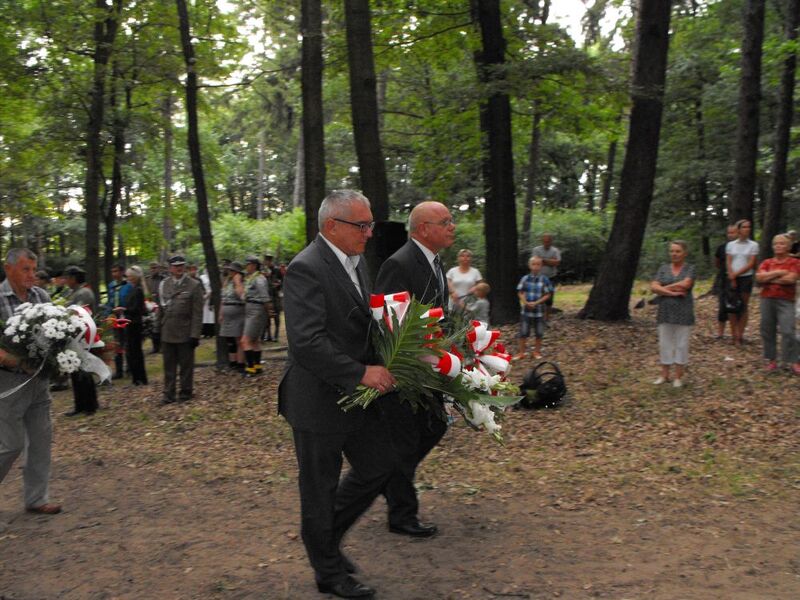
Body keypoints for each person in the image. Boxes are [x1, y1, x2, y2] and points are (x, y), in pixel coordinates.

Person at [279, 190, 397, 599]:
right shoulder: (305, 268)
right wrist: (361, 372)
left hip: (356, 397)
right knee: (319, 488)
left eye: (370, 224)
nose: (369, 233)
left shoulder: (357, 263)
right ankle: (328, 572)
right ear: (332, 226)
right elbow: (306, 342)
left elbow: (357, 323)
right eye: (361, 225)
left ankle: (326, 542)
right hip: (317, 400)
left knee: (379, 464)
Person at [374, 200, 456, 539]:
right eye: (446, 221)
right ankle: (401, 513)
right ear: (423, 228)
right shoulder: (400, 263)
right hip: (405, 370)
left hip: (429, 365)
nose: (453, 226)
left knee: (434, 425)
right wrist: (423, 356)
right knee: (405, 441)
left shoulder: (434, 262)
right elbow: (392, 321)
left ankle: (388, 479)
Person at [0, 248, 62, 515]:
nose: (32, 275)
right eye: (26, 269)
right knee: (10, 444)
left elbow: (55, 333)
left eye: (34, 270)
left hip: (39, 381)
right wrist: (12, 360)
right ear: (8, 268)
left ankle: (36, 499)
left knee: (40, 440)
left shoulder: (41, 296)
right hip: (9, 383)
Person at [157, 255, 203, 404]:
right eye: (175, 266)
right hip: (168, 331)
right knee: (168, 366)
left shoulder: (194, 285)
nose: (179, 268)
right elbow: (161, 310)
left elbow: (197, 313)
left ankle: (185, 392)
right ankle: (168, 394)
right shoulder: (164, 284)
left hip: (185, 331)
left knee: (186, 366)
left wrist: (195, 334)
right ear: (170, 268)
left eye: (181, 265)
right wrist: (157, 330)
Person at [650, 241, 696, 388]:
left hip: (684, 311)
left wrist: (662, 289)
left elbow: (685, 285)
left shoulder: (690, 268)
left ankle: (678, 376)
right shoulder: (663, 268)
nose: (674, 254)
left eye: (678, 251)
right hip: (665, 311)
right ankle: (664, 375)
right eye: (672, 251)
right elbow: (653, 286)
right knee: (665, 343)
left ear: (684, 253)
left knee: (681, 343)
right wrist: (671, 293)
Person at [755, 234, 800, 373]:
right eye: (776, 244)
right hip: (767, 299)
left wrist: (769, 278)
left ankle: (792, 361)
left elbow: (791, 279)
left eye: (782, 243)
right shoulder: (767, 262)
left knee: (788, 331)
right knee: (767, 329)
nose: (778, 246)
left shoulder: (794, 262)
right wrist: (780, 272)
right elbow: (759, 278)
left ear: (788, 246)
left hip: (786, 300)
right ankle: (772, 360)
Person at [63, 265, 99, 416]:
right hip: (74, 336)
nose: (66, 281)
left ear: (74, 278)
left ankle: (89, 406)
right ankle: (80, 405)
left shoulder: (83, 293)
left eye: (68, 278)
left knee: (84, 371)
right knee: (76, 371)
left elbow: (76, 313)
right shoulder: (75, 292)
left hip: (83, 335)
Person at [726, 219, 759, 345]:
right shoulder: (731, 245)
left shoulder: (753, 245)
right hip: (732, 277)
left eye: (749, 227)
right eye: (744, 227)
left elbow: (751, 263)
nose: (747, 229)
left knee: (743, 306)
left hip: (746, 277)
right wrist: (732, 276)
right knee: (731, 306)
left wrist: (737, 274)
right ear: (738, 229)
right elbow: (728, 261)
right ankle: (733, 334)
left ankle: (740, 334)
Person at [515, 256, 554, 361]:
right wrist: (525, 302)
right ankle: (521, 352)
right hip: (526, 311)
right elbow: (520, 292)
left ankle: (536, 352)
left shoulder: (544, 279)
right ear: (529, 265)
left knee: (539, 332)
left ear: (541, 266)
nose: (536, 266)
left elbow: (547, 294)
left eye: (538, 264)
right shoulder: (525, 278)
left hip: (539, 311)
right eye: (534, 264)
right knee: (523, 332)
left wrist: (537, 302)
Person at [241, 255, 272, 377]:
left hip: (256, 309)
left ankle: (250, 368)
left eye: (248, 264)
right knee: (254, 341)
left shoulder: (259, 278)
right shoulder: (251, 278)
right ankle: (258, 367)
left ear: (253, 265)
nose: (246, 267)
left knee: (245, 341)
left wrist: (268, 311)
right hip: (251, 309)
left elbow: (264, 297)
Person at [105, 264, 132, 378]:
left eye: (116, 271)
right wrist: (109, 313)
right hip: (115, 317)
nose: (114, 274)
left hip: (125, 316)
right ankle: (119, 370)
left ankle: (130, 368)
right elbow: (110, 301)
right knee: (117, 344)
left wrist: (124, 308)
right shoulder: (111, 286)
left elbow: (131, 300)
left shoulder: (128, 285)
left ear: (122, 272)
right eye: (112, 271)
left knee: (127, 342)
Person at [123, 266, 149, 386]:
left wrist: (124, 309)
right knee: (132, 351)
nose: (127, 279)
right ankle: (136, 377)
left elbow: (137, 308)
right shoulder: (132, 289)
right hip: (130, 322)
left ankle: (140, 378)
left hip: (135, 323)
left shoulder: (138, 290)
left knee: (136, 351)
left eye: (129, 277)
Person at [218, 261, 245, 372]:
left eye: (233, 270)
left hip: (238, 312)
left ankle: (240, 364)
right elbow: (222, 299)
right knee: (229, 339)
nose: (230, 272)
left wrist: (237, 282)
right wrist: (220, 313)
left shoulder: (242, 282)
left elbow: (242, 296)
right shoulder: (226, 282)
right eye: (230, 270)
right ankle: (232, 363)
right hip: (227, 312)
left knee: (239, 339)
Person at [714, 225, 739, 339]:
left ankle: (737, 334)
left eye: (733, 232)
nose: (731, 235)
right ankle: (720, 333)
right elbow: (717, 263)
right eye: (729, 233)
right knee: (722, 305)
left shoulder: (742, 248)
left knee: (737, 306)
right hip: (724, 279)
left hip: (739, 279)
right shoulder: (721, 248)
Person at [531, 233, 561, 319]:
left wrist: (543, 260)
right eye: (544, 241)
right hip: (537, 277)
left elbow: (557, 262)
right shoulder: (536, 250)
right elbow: (535, 262)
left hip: (551, 277)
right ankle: (536, 316)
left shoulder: (555, 250)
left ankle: (546, 317)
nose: (546, 243)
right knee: (536, 296)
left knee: (549, 297)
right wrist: (550, 261)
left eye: (548, 241)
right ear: (542, 241)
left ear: (551, 241)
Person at [144, 262, 165, 354]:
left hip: (162, 305)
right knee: (152, 327)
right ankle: (155, 347)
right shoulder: (147, 280)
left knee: (162, 326)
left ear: (159, 269)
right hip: (151, 306)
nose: (153, 270)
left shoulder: (163, 279)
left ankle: (162, 346)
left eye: (155, 268)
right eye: (152, 268)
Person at [262, 253, 283, 342]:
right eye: (265, 260)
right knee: (267, 317)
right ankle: (269, 335)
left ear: (270, 261)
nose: (266, 262)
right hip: (267, 296)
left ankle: (276, 335)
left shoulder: (277, 270)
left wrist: (278, 285)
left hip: (275, 296)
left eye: (267, 260)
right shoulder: (264, 271)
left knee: (276, 316)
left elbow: (282, 281)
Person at [199, 267, 215, 338]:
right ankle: (204, 332)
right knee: (204, 316)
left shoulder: (214, 277)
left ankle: (211, 333)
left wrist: (210, 294)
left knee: (211, 316)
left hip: (211, 298)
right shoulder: (202, 277)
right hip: (203, 297)